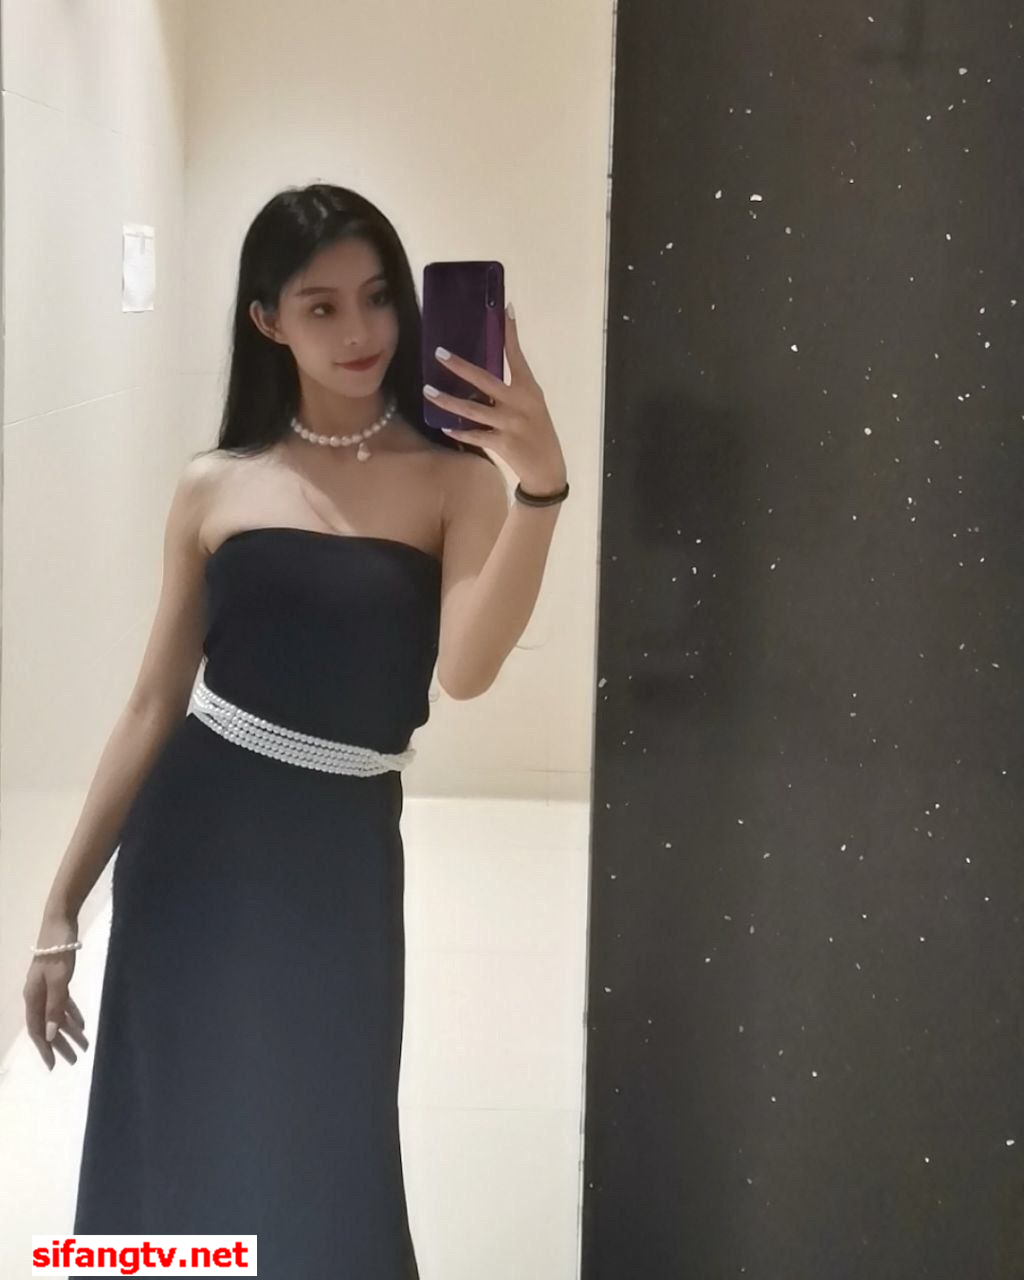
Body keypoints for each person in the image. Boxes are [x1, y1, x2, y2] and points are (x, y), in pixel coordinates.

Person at [22, 183, 569, 1276]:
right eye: (321, 306)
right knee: (177, 1125)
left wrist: (542, 487)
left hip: (339, 852)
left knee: (325, 1134)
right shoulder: (214, 486)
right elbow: (152, 701)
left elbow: (464, 672)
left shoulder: (456, 481)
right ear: (267, 320)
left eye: (378, 296)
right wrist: (59, 905)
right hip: (193, 845)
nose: (361, 330)